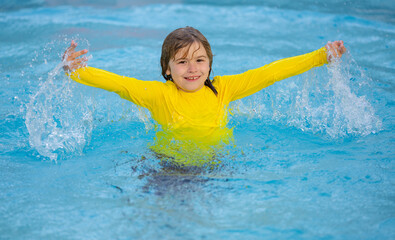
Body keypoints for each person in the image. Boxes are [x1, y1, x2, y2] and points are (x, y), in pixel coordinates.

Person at [63, 26, 346, 166]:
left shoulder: (223, 89)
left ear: (210, 64)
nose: (192, 69)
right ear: (167, 69)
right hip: (168, 165)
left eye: (199, 60)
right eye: (182, 62)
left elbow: (270, 73)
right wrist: (75, 71)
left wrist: (321, 56)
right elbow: (118, 84)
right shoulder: (157, 94)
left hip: (216, 162)